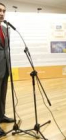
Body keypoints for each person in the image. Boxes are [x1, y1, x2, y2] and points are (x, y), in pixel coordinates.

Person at [0, 2, 14, 137]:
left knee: (2, 95)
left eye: (4, 11)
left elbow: (6, 50)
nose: (2, 13)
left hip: (5, 69)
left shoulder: (5, 29)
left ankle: (1, 115)